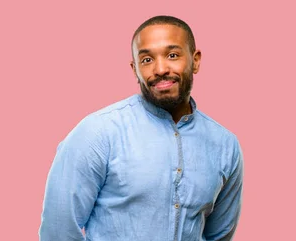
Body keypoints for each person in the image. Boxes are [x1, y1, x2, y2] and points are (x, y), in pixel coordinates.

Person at [38, 15, 244, 241]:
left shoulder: (225, 145)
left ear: (195, 60)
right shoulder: (97, 132)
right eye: (146, 60)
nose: (160, 69)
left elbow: (219, 235)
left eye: (172, 55)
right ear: (134, 68)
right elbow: (57, 232)